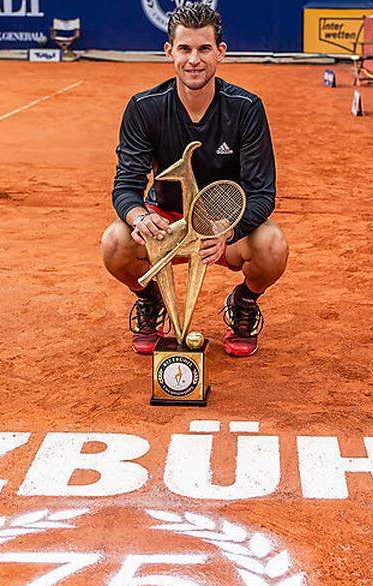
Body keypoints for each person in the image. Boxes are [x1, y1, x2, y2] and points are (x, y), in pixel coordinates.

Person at [100, 1, 288, 358]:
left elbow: (262, 193)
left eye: (204, 49)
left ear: (221, 53)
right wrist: (140, 218)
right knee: (114, 242)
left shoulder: (246, 108)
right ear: (169, 52)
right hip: (167, 227)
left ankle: (244, 303)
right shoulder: (144, 108)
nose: (194, 60)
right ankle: (152, 301)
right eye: (185, 49)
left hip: (223, 226)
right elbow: (126, 185)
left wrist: (229, 230)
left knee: (273, 246)